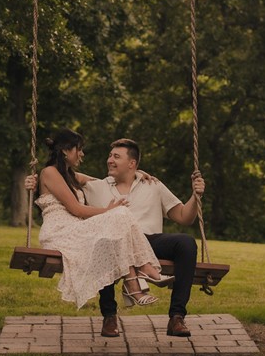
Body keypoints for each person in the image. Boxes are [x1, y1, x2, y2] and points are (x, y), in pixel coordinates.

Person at [32, 130, 174, 336]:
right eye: (78, 149)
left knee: (114, 230)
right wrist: (109, 211)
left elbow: (99, 181)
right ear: (65, 151)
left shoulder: (69, 175)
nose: (81, 154)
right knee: (119, 214)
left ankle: (134, 283)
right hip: (60, 232)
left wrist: (138, 173)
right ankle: (144, 270)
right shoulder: (50, 173)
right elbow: (77, 210)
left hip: (75, 229)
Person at [82, 139, 204, 338]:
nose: (109, 160)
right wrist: (36, 182)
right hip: (114, 243)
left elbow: (184, 217)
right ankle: (109, 315)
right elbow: (64, 177)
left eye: (116, 156)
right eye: (110, 156)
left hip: (149, 241)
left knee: (186, 243)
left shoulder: (153, 185)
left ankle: (177, 317)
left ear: (132, 163)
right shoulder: (96, 187)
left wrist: (195, 195)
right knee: (104, 242)